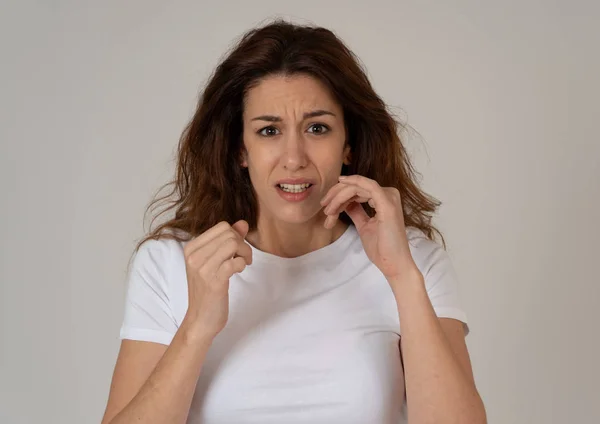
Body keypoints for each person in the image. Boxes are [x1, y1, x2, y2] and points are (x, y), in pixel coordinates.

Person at [101, 20, 486, 424]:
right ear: (240, 150)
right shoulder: (170, 266)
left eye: (317, 128)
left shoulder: (414, 263)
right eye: (269, 130)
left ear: (348, 144)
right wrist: (197, 326)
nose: (294, 157)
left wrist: (403, 277)